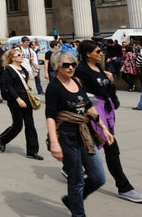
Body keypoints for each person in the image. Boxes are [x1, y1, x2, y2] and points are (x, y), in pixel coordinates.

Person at [72, 40, 142, 203]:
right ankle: (124, 187)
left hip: (105, 111)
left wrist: (112, 83)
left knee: (89, 148)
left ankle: (72, 167)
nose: (101, 54)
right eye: (98, 51)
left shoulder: (99, 68)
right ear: (88, 53)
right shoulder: (81, 72)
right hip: (92, 114)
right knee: (110, 148)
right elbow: (79, 96)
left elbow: (106, 90)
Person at [46, 50, 113, 216]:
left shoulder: (76, 81)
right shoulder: (54, 87)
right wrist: (54, 142)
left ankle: (72, 200)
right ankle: (78, 213)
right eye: (66, 65)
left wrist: (104, 128)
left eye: (73, 64)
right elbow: (50, 117)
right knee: (76, 180)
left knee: (98, 177)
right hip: (67, 136)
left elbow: (88, 107)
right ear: (56, 66)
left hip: (85, 134)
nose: (70, 68)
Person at [0, 49, 43, 160]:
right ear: (12, 58)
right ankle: (3, 139)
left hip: (26, 99)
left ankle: (32, 151)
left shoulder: (24, 69)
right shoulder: (8, 70)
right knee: (18, 125)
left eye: (22, 55)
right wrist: (18, 99)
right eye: (19, 55)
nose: (22, 56)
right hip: (15, 100)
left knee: (30, 125)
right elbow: (8, 86)